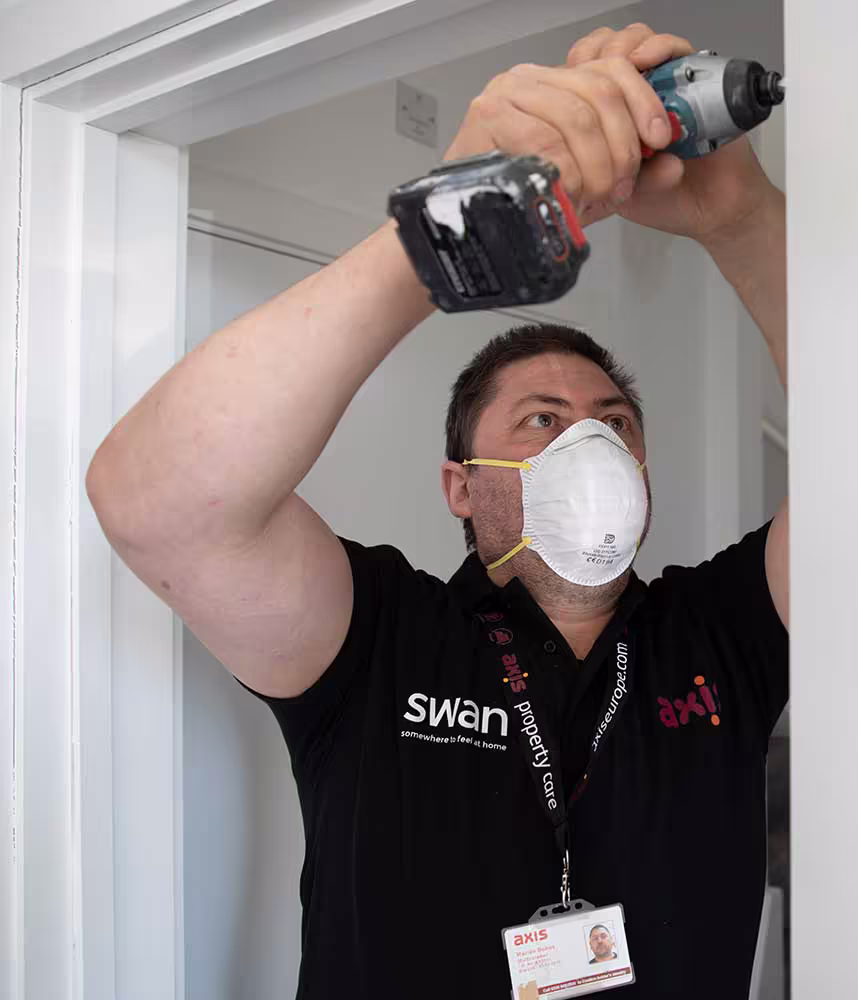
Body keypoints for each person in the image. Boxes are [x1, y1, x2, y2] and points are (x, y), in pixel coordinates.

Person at [86, 23, 789, 1000]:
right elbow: (154, 503)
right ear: (461, 483)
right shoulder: (376, 636)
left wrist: (742, 217)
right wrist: (445, 228)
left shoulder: (720, 628)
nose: (589, 445)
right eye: (542, 419)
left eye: (613, 423)